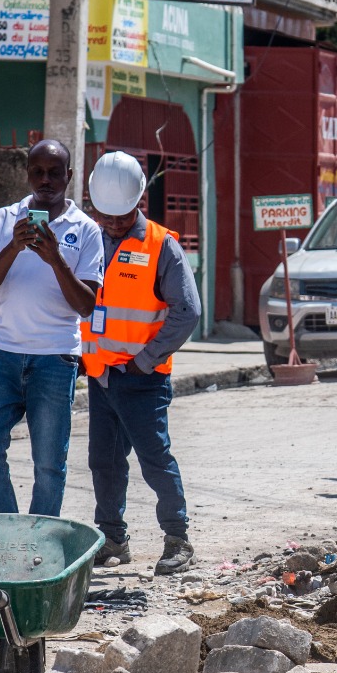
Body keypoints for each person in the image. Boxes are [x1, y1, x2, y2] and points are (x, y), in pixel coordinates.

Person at [0, 139, 104, 517]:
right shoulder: (1, 220)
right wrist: (13, 246)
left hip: (55, 358)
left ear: (69, 176)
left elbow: (86, 305)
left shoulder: (86, 230)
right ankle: (6, 527)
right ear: (27, 174)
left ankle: (39, 539)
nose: (46, 180)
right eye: (38, 172)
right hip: (2, 353)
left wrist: (55, 257)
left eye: (54, 173)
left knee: (49, 463)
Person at [79, 151, 200, 574]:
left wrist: (145, 360)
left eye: (121, 215)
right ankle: (113, 539)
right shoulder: (90, 239)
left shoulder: (161, 245)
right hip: (101, 376)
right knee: (104, 463)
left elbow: (188, 311)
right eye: (105, 215)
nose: (113, 223)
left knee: (155, 460)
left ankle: (178, 539)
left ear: (139, 201)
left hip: (141, 379)